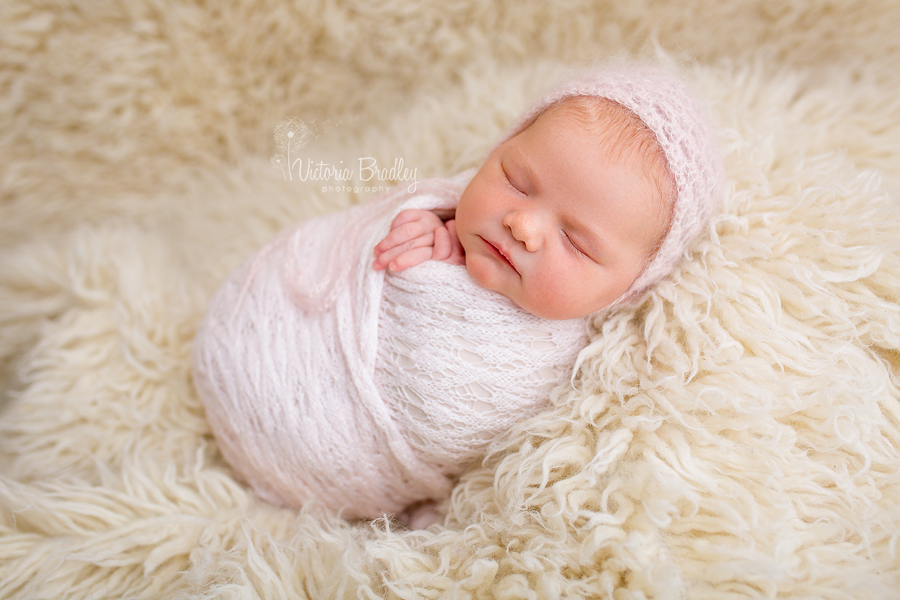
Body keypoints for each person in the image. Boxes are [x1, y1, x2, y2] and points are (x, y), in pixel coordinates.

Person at [191, 61, 723, 527]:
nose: (523, 226)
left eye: (576, 242)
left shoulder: (589, 375)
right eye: (516, 180)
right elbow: (358, 247)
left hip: (331, 463)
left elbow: (488, 452)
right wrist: (426, 233)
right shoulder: (440, 218)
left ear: (629, 288)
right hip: (252, 347)